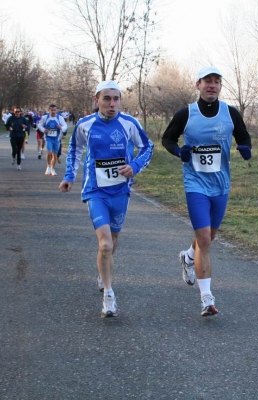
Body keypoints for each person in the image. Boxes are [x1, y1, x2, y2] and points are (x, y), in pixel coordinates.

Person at [161, 67, 252, 317]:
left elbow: (244, 136)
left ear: (220, 87)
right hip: (195, 183)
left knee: (208, 238)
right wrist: (179, 152)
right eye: (207, 81)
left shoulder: (230, 113)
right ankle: (206, 298)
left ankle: (188, 258)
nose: (212, 85)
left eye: (216, 82)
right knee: (204, 240)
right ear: (198, 85)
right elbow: (167, 138)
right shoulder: (186, 113)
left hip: (221, 184)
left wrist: (245, 148)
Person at [59, 80, 153, 318]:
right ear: (97, 101)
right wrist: (69, 176)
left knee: (114, 239)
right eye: (107, 99)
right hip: (95, 190)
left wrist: (135, 166)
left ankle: (103, 273)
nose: (112, 104)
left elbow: (147, 147)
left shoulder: (129, 123)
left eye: (116, 99)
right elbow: (74, 150)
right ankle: (108, 295)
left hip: (120, 191)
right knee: (105, 244)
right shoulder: (85, 125)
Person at [38, 104, 67, 176]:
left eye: (54, 110)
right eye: (52, 110)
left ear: (56, 110)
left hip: (57, 138)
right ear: (49, 110)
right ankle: (48, 166)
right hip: (48, 138)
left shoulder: (60, 118)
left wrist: (61, 128)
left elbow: (65, 126)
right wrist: (44, 130)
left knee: (55, 154)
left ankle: (52, 169)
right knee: (49, 152)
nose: (53, 112)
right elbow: (39, 125)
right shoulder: (45, 117)